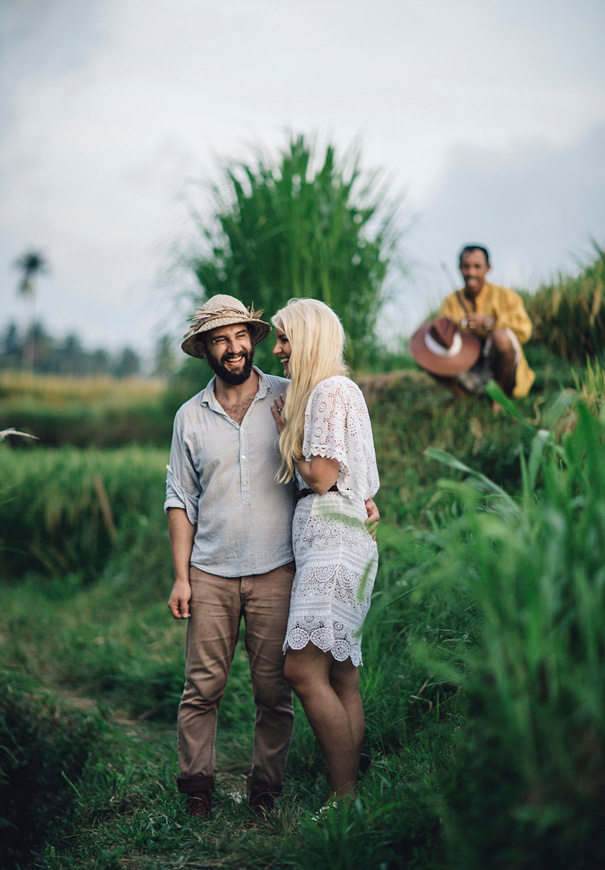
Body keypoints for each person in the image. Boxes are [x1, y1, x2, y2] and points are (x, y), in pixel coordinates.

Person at [165, 294, 379, 819]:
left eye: (242, 335)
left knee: (277, 690)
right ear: (207, 350)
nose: (234, 347)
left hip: (281, 568)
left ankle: (267, 793)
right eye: (220, 339)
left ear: (252, 339)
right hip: (210, 571)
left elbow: (329, 464)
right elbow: (179, 499)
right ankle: (197, 790)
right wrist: (181, 577)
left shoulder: (294, 395)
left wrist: (359, 497)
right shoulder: (189, 418)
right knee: (202, 687)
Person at [270, 298, 379, 805]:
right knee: (341, 673)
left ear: (309, 340)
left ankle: (344, 797)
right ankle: (349, 793)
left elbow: (322, 477)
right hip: (344, 535)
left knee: (301, 670)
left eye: (286, 339)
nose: (279, 351)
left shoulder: (328, 392)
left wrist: (284, 436)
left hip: (333, 540)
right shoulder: (338, 390)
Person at [436, 245, 534, 401]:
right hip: (467, 363)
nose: (471, 273)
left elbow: (525, 330)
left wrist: (490, 323)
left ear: (488, 268)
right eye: (466, 267)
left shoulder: (505, 296)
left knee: (501, 338)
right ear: (459, 268)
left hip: (499, 365)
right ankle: (465, 397)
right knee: (425, 348)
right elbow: (442, 331)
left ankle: (499, 396)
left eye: (477, 266)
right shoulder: (451, 301)